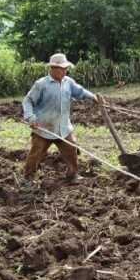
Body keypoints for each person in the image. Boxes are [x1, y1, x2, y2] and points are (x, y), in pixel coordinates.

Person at [21, 53, 98, 187]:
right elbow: (28, 101)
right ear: (53, 68)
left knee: (71, 150)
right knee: (36, 153)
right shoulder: (41, 84)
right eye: (62, 68)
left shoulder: (68, 82)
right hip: (43, 128)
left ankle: (73, 175)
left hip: (63, 127)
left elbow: (80, 91)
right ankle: (28, 179)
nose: (65, 71)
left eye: (65, 68)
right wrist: (30, 117)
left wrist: (93, 97)